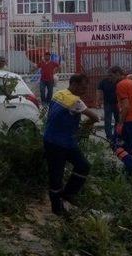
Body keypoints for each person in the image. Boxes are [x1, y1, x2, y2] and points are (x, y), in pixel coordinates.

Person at [43, 73, 99, 215]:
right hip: (59, 143)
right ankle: (58, 207)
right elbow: (95, 117)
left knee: (80, 166)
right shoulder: (75, 101)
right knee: (59, 175)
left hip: (58, 140)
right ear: (73, 84)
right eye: (82, 87)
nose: (84, 90)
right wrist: (86, 127)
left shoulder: (58, 94)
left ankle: (66, 196)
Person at [115, 69, 132, 174]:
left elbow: (126, 106)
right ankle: (128, 174)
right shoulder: (131, 83)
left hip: (128, 120)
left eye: (111, 75)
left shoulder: (121, 85)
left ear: (117, 74)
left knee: (116, 145)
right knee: (129, 148)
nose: (109, 78)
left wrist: (120, 123)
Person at [96, 68, 120, 140]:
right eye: (108, 74)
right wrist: (98, 101)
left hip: (117, 104)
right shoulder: (103, 82)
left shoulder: (118, 81)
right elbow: (99, 91)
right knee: (107, 120)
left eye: (111, 74)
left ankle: (116, 134)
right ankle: (109, 136)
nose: (110, 76)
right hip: (108, 104)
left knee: (118, 120)